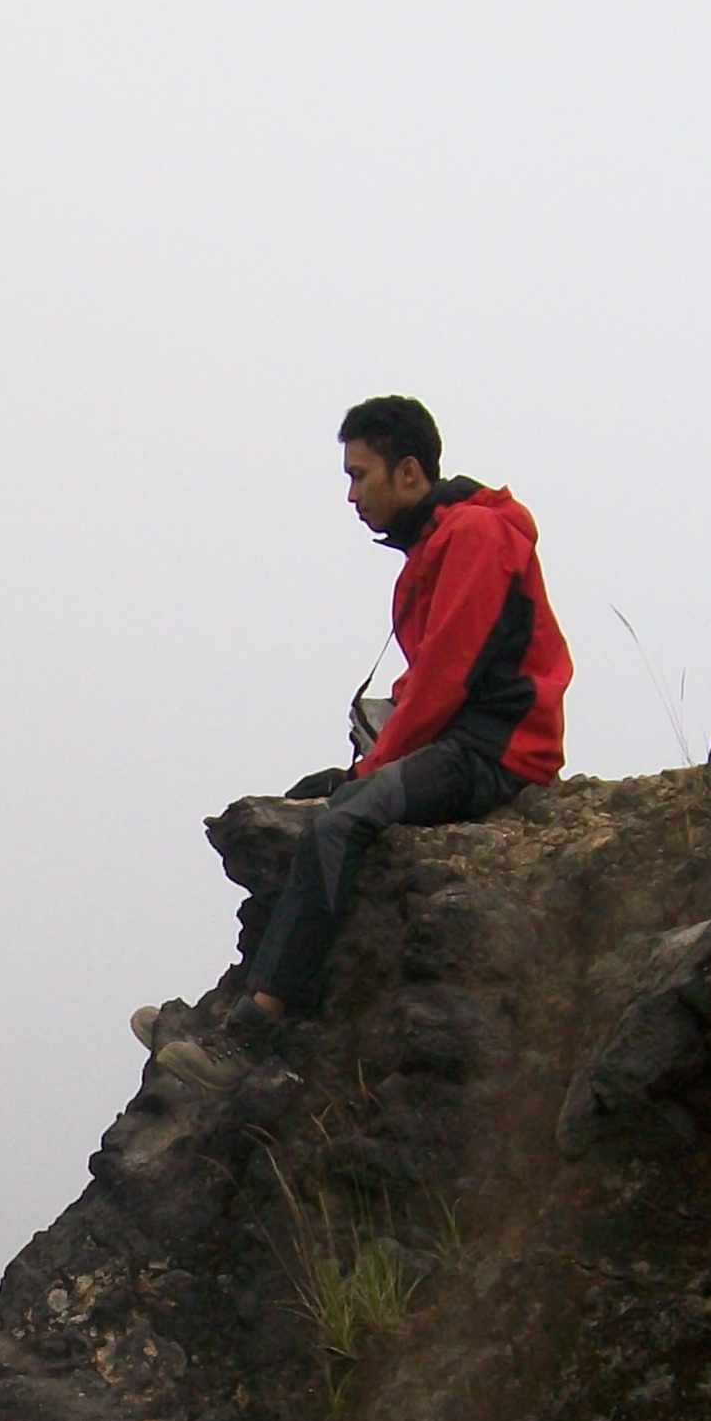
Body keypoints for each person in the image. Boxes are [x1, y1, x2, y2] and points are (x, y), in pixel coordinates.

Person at [151, 396, 571, 1089]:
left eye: (359, 475)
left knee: (340, 820)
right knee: (305, 805)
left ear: (407, 472)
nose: (351, 495)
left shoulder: (475, 534)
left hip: (497, 752)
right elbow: (428, 678)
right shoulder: (433, 547)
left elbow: (445, 676)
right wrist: (363, 766)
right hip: (461, 743)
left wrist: (374, 766)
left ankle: (250, 1033)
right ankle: (228, 1011)